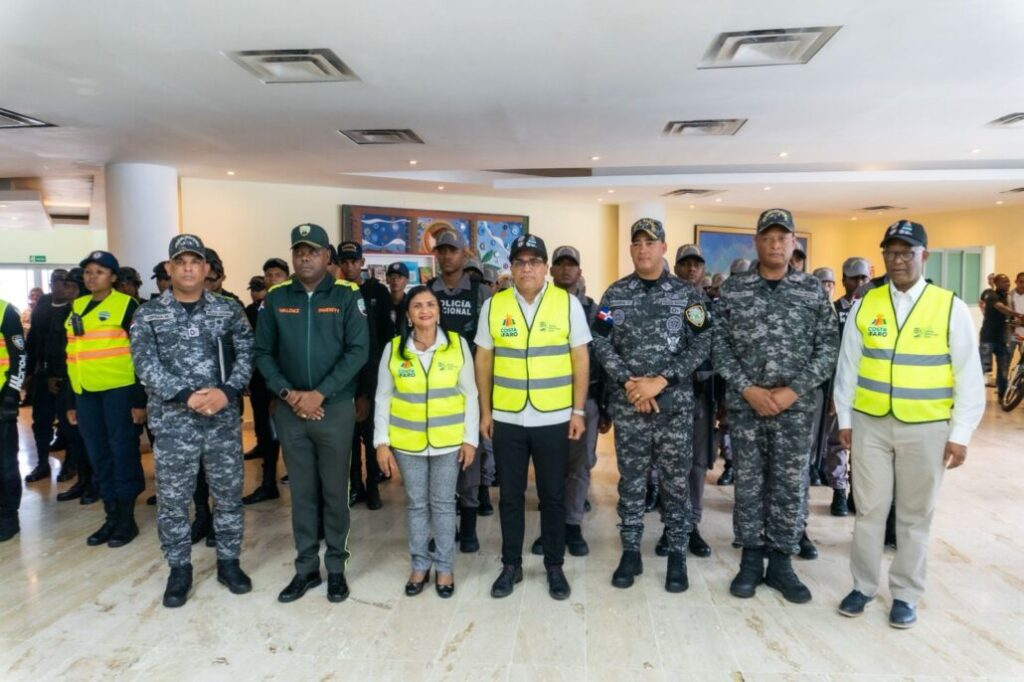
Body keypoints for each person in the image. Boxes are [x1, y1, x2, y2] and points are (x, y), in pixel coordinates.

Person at [834, 220, 985, 628]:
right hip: (870, 424)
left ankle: (905, 593)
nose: (898, 260)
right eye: (891, 252)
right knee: (869, 510)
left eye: (906, 252)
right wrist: (845, 418)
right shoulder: (867, 304)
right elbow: (848, 367)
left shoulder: (949, 307)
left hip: (926, 427)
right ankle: (863, 586)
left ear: (924, 255)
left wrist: (961, 433)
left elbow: (969, 375)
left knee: (915, 515)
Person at [714, 209, 839, 604]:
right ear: (756, 242)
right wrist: (748, 388)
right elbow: (718, 345)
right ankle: (751, 560)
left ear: (793, 242)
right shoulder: (734, 290)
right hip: (746, 406)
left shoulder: (812, 290)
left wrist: (793, 391)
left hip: (795, 409)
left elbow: (828, 347)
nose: (775, 244)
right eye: (767, 237)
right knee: (749, 483)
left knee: (789, 485)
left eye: (782, 238)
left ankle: (782, 562)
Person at [131, 235, 255, 607]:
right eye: (180, 262)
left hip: (222, 421)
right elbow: (144, 364)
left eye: (194, 261)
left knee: (228, 495)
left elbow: (248, 354)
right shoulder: (148, 314)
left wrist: (227, 392)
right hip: (173, 423)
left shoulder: (228, 310)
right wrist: (186, 395)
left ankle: (229, 562)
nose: (187, 268)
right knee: (173, 500)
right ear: (169, 269)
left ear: (205, 268)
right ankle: (179, 569)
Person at [593, 223, 711, 593]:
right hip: (630, 405)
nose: (643, 249)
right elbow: (600, 340)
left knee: (675, 482)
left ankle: (677, 554)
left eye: (650, 242)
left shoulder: (687, 295)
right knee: (631, 480)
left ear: (663, 247)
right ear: (631, 249)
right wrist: (630, 382)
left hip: (673, 407)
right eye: (637, 243)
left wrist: (661, 381)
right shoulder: (615, 294)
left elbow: (703, 341)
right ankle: (631, 551)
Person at [255, 223, 368, 604]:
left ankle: (335, 568)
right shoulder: (276, 298)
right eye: (299, 251)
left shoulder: (347, 295)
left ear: (326, 256)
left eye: (313, 251)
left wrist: (319, 394)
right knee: (302, 493)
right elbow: (262, 353)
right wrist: (289, 394)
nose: (305, 258)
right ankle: (305, 568)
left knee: (335, 492)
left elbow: (358, 350)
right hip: (291, 410)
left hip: (333, 408)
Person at [476, 234, 590, 600]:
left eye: (535, 262)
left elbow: (580, 358)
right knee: (510, 496)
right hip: (508, 417)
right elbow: (484, 359)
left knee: (552, 496)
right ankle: (511, 564)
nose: (527, 268)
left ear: (546, 268)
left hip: (553, 417)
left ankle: (554, 565)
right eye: (520, 262)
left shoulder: (566, 304)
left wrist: (578, 411)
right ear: (511, 267)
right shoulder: (494, 305)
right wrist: (485, 411)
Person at [374, 286, 478, 598]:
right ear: (408, 314)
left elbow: (470, 395)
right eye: (417, 305)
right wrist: (382, 443)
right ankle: (420, 564)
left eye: (430, 304)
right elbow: (383, 397)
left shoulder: (457, 345)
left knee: (444, 505)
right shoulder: (394, 349)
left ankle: (445, 567)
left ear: (438, 311)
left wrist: (470, 440)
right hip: (408, 443)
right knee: (417, 505)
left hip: (449, 442)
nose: (424, 311)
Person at [527, 245, 608, 557]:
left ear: (579, 271)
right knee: (549, 466)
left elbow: (608, 356)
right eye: (559, 264)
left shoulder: (600, 311)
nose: (564, 269)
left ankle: (572, 525)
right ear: (551, 270)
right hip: (546, 401)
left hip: (586, 400)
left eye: (570, 264)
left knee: (579, 466)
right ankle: (551, 528)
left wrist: (606, 406)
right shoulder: (536, 306)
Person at [65, 251, 147, 548]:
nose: (92, 277)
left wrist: (139, 400)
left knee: (122, 453)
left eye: (99, 272)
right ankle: (110, 515)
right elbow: (71, 354)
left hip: (119, 393)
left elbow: (142, 355)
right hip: (86, 394)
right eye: (88, 272)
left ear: (113, 277)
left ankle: (126, 519)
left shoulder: (127, 305)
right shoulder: (77, 305)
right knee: (98, 454)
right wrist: (71, 401)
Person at [430, 230, 491, 551]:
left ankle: (468, 530)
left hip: (470, 391)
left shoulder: (481, 293)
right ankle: (442, 530)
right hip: (435, 392)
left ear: (463, 254)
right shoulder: (427, 291)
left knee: (469, 460)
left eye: (452, 250)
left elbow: (490, 345)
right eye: (441, 251)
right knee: (437, 461)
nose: (446, 256)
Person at [665, 243, 717, 558]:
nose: (691, 269)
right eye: (685, 263)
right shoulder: (666, 300)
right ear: (676, 267)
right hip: (668, 396)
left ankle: (691, 525)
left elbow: (713, 351)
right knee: (669, 464)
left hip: (699, 398)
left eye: (697, 264)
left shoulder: (706, 306)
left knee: (696, 465)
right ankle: (671, 525)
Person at [338, 240, 392, 510]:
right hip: (343, 378)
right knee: (348, 438)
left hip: (372, 373)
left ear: (362, 263)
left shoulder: (377, 291)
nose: (350, 267)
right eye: (345, 262)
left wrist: (370, 390)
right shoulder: (335, 293)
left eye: (354, 261)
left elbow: (383, 339)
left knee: (371, 437)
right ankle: (355, 486)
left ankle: (372, 487)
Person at [23, 271, 81, 483]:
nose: (62, 286)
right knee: (41, 422)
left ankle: (70, 464)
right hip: (42, 375)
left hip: (66, 377)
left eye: (67, 282)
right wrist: (28, 373)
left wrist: (59, 375)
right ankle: (42, 464)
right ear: (51, 284)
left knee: (69, 424)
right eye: (57, 281)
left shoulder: (76, 307)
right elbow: (33, 341)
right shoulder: (43, 304)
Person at [242, 274, 281, 504]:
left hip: (278, 381)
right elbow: (247, 346)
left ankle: (273, 480)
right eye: (253, 288)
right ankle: (268, 481)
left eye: (259, 288)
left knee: (277, 431)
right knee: (264, 429)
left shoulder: (281, 307)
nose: (256, 292)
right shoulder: (249, 311)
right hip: (257, 378)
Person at [0, 298, 27, 541]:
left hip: (1, 399)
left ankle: (8, 516)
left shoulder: (4, 311)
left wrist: (11, 395)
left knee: (5, 463)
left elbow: (19, 357)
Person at [979, 274, 1015, 400]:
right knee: (982, 368)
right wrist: (1018, 314)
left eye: (1008, 281)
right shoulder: (990, 294)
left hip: (1003, 340)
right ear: (996, 283)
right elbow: (1001, 308)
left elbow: (1008, 317)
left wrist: (1015, 322)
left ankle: (1002, 396)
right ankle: (970, 393)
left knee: (1003, 372)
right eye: (1004, 281)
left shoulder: (1008, 297)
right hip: (988, 339)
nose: (1008, 283)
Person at [385, 261, 410, 327]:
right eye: (392, 276)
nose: (395, 280)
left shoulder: (410, 303)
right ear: (387, 280)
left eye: (399, 277)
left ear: (407, 280)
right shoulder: (382, 303)